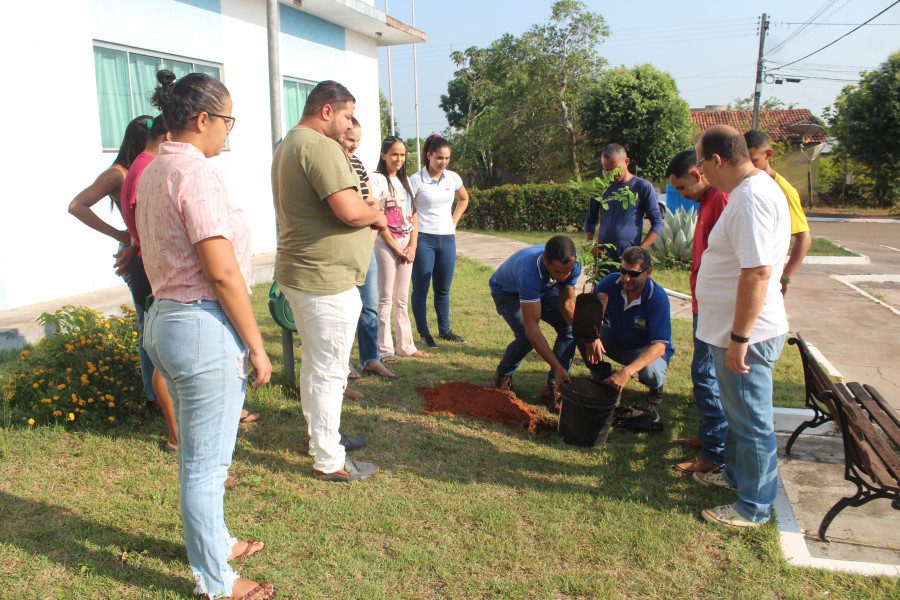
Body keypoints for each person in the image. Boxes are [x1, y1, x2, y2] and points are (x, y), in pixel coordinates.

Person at [137, 70, 275, 600]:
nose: (229, 132)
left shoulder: (154, 168)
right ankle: (217, 583)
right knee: (206, 466)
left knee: (198, 457)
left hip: (166, 319)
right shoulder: (195, 174)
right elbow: (221, 273)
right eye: (227, 121)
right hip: (200, 325)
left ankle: (216, 542)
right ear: (202, 119)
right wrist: (256, 347)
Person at [272, 80, 385, 482]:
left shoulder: (289, 143)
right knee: (329, 371)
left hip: (307, 274)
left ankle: (325, 438)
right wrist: (374, 212)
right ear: (326, 111)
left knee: (317, 366)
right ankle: (328, 459)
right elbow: (350, 211)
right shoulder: (319, 146)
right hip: (324, 279)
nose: (350, 125)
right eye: (347, 116)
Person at [693, 124, 790, 529]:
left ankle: (754, 506)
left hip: (749, 334)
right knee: (740, 415)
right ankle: (735, 475)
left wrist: (739, 339)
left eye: (700, 163)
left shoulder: (751, 198)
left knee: (751, 422)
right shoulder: (749, 192)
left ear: (717, 160)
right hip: (736, 330)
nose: (699, 172)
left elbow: (757, 272)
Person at [68, 116, 165, 415]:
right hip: (134, 250)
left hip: (144, 248)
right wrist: (118, 234)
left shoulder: (143, 168)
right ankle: (154, 396)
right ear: (139, 143)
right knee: (147, 323)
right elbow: (76, 205)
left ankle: (161, 393)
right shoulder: (118, 174)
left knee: (155, 321)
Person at [118, 110, 179, 452]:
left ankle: (176, 428)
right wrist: (131, 242)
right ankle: (174, 433)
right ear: (169, 136)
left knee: (162, 349)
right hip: (150, 266)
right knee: (163, 354)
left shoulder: (142, 164)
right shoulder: (147, 168)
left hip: (146, 261)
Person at [665, 150, 728, 474]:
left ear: (696, 173)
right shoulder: (705, 201)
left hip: (716, 309)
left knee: (706, 375)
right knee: (702, 373)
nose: (680, 194)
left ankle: (715, 454)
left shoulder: (721, 201)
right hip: (703, 304)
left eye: (680, 187)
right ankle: (708, 437)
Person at [488, 236, 580, 412]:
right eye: (558, 272)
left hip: (543, 290)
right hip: (507, 292)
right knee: (525, 336)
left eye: (567, 272)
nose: (563, 277)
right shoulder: (529, 271)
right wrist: (558, 366)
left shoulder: (572, 264)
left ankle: (553, 388)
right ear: (545, 260)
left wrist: (590, 337)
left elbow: (567, 304)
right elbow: (532, 327)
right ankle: (501, 377)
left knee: (568, 328)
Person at [578, 246, 673, 405]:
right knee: (583, 331)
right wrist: (592, 337)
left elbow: (659, 346)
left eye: (634, 274)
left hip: (644, 349)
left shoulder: (658, 298)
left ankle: (656, 387)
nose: (627, 278)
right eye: (623, 271)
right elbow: (592, 314)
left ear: (648, 272)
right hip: (616, 340)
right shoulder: (610, 283)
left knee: (652, 374)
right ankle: (602, 377)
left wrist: (626, 372)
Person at [341, 117, 395, 385]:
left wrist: (373, 233)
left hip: (367, 242)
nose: (354, 145)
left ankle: (371, 359)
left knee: (369, 303)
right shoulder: (333, 162)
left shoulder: (359, 164)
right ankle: (343, 362)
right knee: (344, 308)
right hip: (344, 245)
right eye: (350, 139)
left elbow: (370, 201)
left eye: (358, 141)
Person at [371, 136, 430, 364]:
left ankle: (406, 346)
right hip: (386, 245)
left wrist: (412, 245)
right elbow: (378, 218)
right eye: (394, 154)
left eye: (402, 154)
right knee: (385, 299)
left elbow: (413, 215)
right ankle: (384, 350)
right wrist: (395, 248)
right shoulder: (377, 179)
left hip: (407, 245)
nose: (399, 158)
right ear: (383, 155)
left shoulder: (406, 181)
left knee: (401, 299)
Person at [409, 135, 470, 348]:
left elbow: (464, 198)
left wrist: (454, 221)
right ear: (429, 155)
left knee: (443, 289)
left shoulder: (452, 178)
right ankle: (424, 333)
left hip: (447, 239)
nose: (443, 162)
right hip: (423, 238)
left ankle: (445, 330)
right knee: (421, 289)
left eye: (447, 158)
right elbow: (409, 209)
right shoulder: (416, 180)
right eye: (439, 158)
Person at [743, 130, 812, 295]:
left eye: (754, 161)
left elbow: (804, 237)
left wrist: (785, 278)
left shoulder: (783, 190)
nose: (749, 167)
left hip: (767, 281)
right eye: (745, 161)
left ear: (767, 154)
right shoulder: (743, 184)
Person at [584, 143, 664, 261]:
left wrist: (639, 251)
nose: (611, 174)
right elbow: (591, 219)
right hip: (603, 258)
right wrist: (590, 245)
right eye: (607, 170)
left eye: (615, 169)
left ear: (627, 162)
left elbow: (657, 223)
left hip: (629, 260)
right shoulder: (601, 187)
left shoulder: (642, 187)